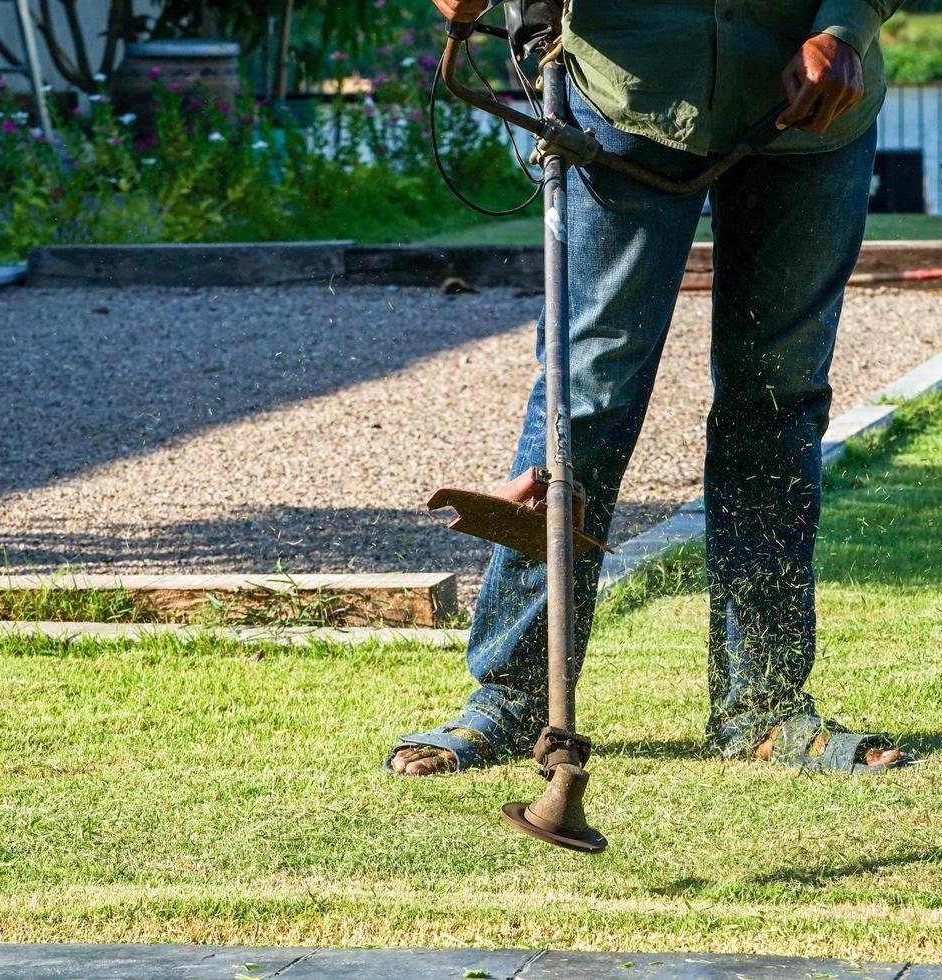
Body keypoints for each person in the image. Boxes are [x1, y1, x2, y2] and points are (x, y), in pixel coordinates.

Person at [389, 0, 909, 776]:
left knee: (777, 394)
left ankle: (760, 706)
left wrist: (846, 27)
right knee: (585, 396)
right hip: (620, 94)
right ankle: (511, 694)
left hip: (812, 102)